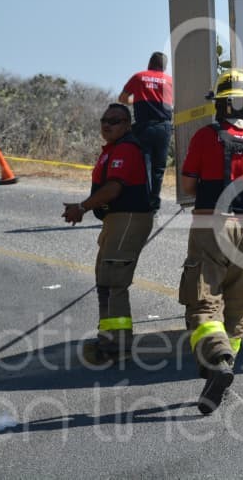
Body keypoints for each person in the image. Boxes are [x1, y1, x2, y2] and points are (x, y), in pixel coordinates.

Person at [179, 68, 243, 415]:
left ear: (220, 105)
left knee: (203, 302)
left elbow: (189, 187)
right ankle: (225, 363)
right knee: (239, 305)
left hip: (211, 225)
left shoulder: (206, 138)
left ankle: (217, 360)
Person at [62, 103, 153, 364]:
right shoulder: (112, 149)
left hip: (129, 219)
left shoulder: (126, 148)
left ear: (127, 125)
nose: (107, 124)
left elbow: (113, 188)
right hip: (115, 220)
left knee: (114, 281)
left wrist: (82, 207)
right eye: (104, 119)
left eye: (115, 120)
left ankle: (118, 346)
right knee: (105, 279)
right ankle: (108, 337)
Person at [120, 52, 173, 211]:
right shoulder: (170, 81)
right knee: (159, 169)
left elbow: (122, 98)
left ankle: (141, 204)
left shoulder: (138, 77)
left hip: (144, 127)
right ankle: (153, 206)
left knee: (144, 167)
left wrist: (134, 100)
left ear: (150, 62)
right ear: (164, 66)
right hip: (164, 128)